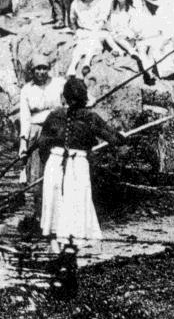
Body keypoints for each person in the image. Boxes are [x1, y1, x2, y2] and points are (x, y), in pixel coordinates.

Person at [35, 78, 127, 250]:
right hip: (77, 163)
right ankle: (72, 243)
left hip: (54, 163)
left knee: (56, 201)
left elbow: (43, 144)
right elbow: (115, 139)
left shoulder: (54, 115)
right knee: (75, 201)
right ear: (85, 97)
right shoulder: (91, 117)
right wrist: (122, 136)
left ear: (65, 96)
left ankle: (56, 243)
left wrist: (50, 162)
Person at [17, 54, 65, 233]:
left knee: (58, 172)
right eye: (38, 68)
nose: (41, 72)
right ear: (32, 71)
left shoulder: (59, 84)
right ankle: (38, 217)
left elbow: (74, 100)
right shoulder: (27, 90)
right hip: (37, 132)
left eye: (44, 68)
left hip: (57, 131)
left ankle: (58, 218)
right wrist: (23, 143)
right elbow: (25, 117)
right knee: (37, 175)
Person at [67, 0, 111, 77]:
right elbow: (72, 19)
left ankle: (86, 63)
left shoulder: (99, 2)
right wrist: (75, 31)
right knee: (81, 43)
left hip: (96, 30)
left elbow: (102, 19)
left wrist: (95, 29)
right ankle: (72, 66)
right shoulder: (76, 3)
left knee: (93, 39)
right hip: (83, 30)